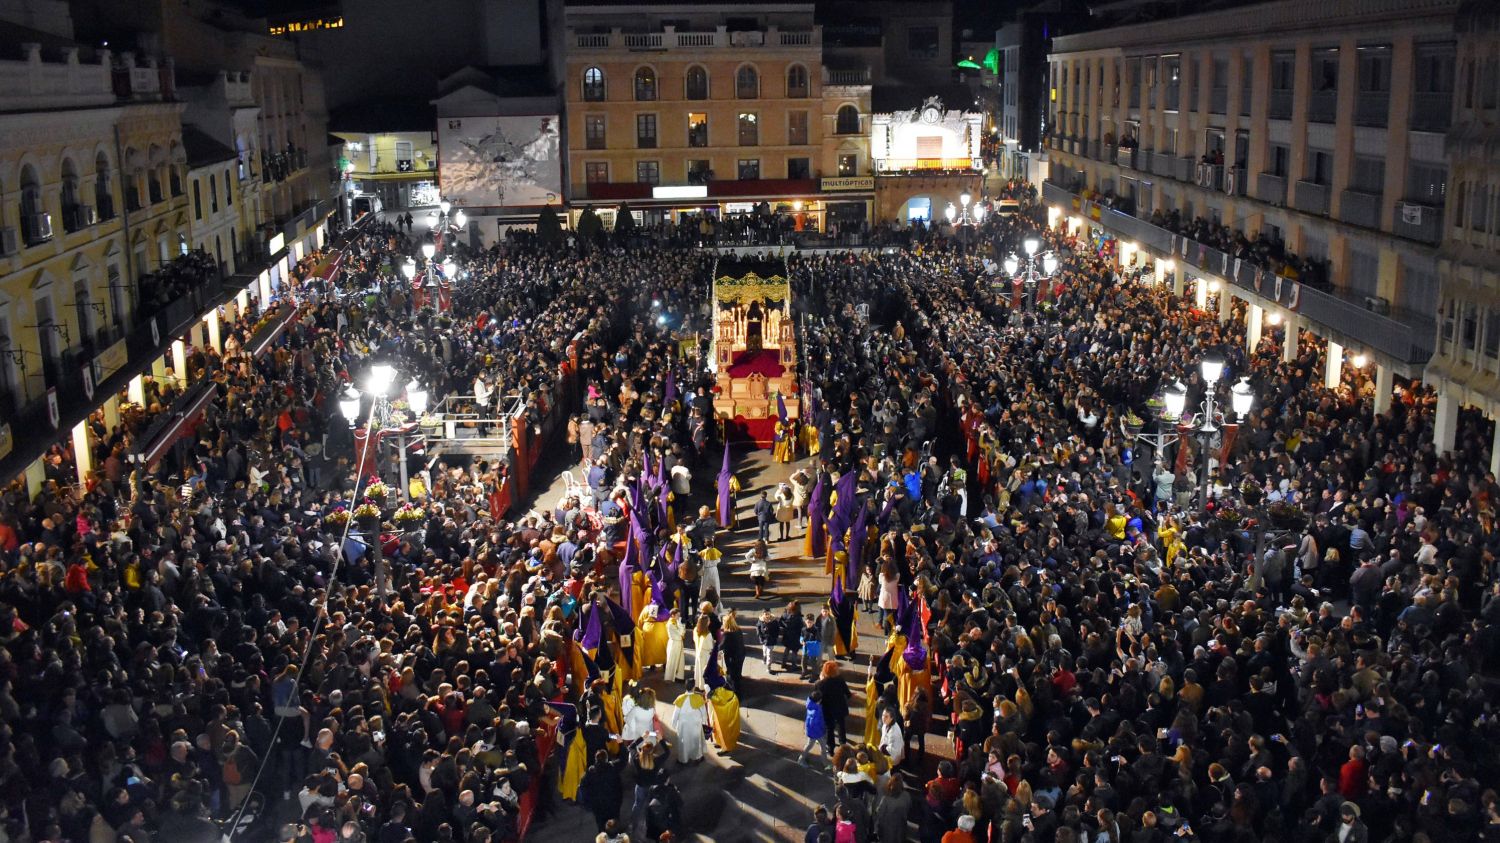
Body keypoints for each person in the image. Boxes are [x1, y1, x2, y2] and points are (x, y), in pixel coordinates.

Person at [578, 751, 624, 832]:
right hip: (613, 804)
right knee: (614, 824)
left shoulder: (590, 773)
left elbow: (583, 787)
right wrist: (619, 801)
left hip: (598, 805)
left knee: (601, 824)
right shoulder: (613, 770)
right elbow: (619, 787)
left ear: (596, 759)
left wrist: (587, 803)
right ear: (606, 759)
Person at [816, 661, 852, 755]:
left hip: (827, 710)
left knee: (830, 729)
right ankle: (843, 744)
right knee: (841, 725)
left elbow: (817, 698)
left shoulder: (820, 684)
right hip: (840, 707)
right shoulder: (840, 679)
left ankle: (831, 749)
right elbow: (847, 693)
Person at [668, 690, 707, 764]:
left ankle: (683, 759)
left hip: (683, 725)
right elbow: (703, 710)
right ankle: (697, 757)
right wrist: (704, 720)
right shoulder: (698, 698)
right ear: (693, 688)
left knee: (684, 741)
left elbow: (676, 712)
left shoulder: (680, 698)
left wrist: (674, 723)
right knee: (696, 740)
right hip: (695, 723)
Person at [797, 690, 828, 768]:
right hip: (817, 732)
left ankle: (801, 759)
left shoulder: (810, 704)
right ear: (819, 700)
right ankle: (825, 763)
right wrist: (823, 730)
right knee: (822, 747)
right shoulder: (817, 710)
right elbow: (817, 723)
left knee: (810, 745)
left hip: (811, 730)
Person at [663, 608, 687, 684]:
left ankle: (679, 676)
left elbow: (682, 632)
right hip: (674, 643)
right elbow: (681, 634)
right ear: (672, 615)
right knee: (673, 660)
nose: (678, 617)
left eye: (679, 615)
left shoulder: (676, 622)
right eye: (677, 615)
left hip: (678, 643)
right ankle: (670, 677)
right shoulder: (671, 624)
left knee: (680, 661)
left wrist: (682, 628)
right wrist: (681, 627)